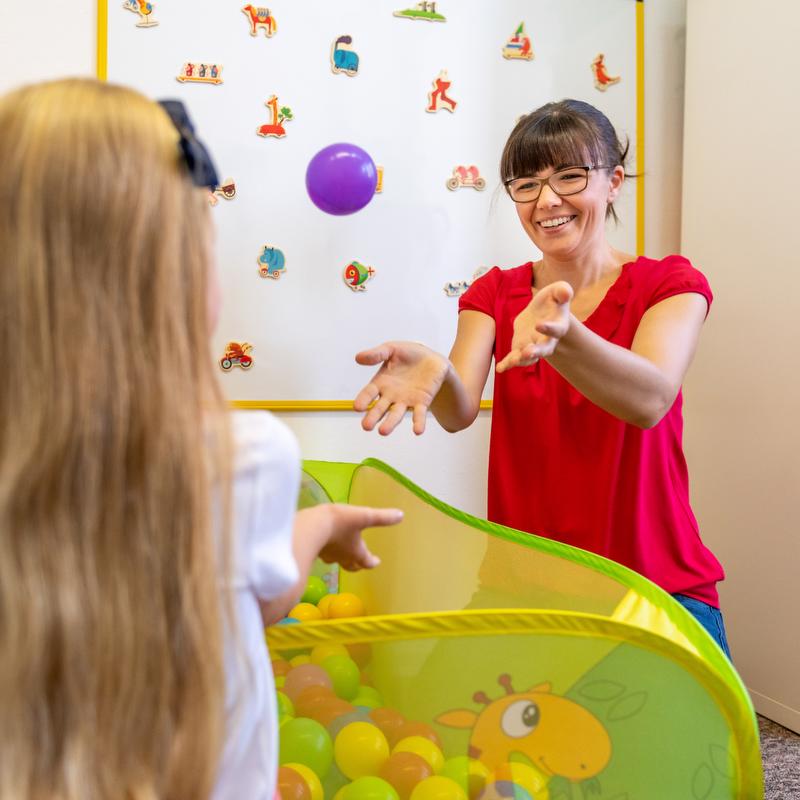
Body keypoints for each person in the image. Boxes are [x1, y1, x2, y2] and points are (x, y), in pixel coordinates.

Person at [0, 78, 400, 800]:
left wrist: (316, 520)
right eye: (205, 238)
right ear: (166, 271)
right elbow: (265, 597)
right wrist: (318, 528)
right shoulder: (239, 460)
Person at [353, 98, 730, 658]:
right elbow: (458, 412)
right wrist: (437, 376)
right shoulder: (496, 293)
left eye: (569, 177)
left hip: (652, 585)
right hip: (522, 584)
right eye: (525, 184)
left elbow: (649, 398)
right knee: (457, 736)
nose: (546, 200)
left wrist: (564, 335)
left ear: (612, 182)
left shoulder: (670, 284)